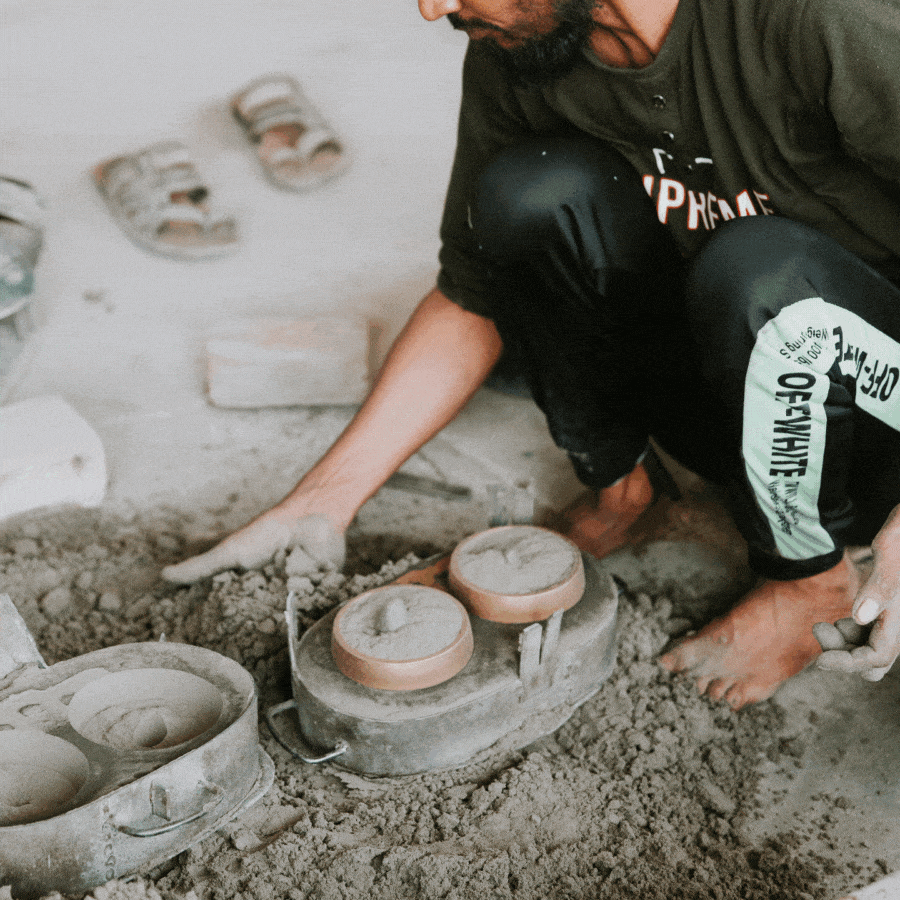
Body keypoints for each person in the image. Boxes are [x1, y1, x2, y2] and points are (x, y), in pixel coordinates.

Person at [164, 0, 900, 709]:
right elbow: (473, 294)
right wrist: (323, 500)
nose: (431, 8)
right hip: (732, 387)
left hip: (872, 427)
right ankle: (625, 496)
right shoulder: (523, 38)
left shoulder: (825, 18)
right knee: (529, 192)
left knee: (762, 275)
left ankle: (811, 580)